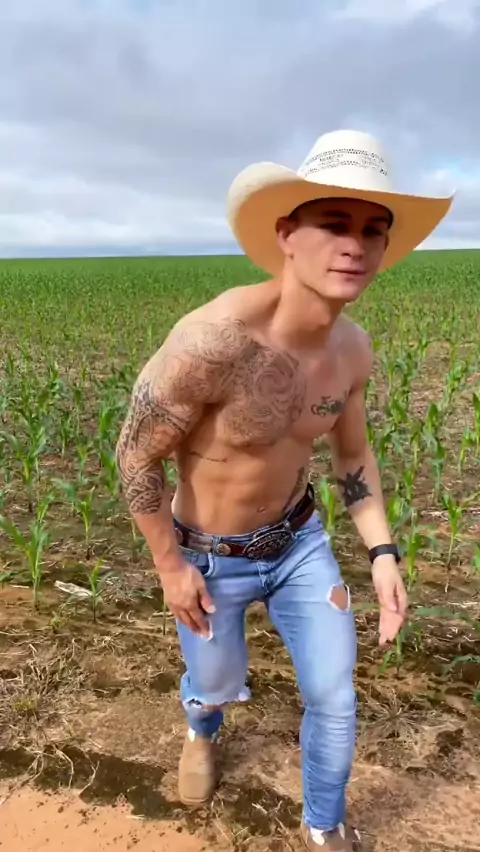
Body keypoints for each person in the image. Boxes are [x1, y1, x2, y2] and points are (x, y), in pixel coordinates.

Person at [115, 129, 454, 851]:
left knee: (335, 694)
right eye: (333, 223)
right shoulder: (213, 342)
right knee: (213, 681)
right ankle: (202, 726)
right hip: (208, 555)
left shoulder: (352, 350)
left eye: (372, 230)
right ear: (286, 236)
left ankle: (324, 829)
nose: (354, 245)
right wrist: (171, 567)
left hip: (299, 544)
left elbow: (353, 457)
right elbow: (136, 456)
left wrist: (383, 554)